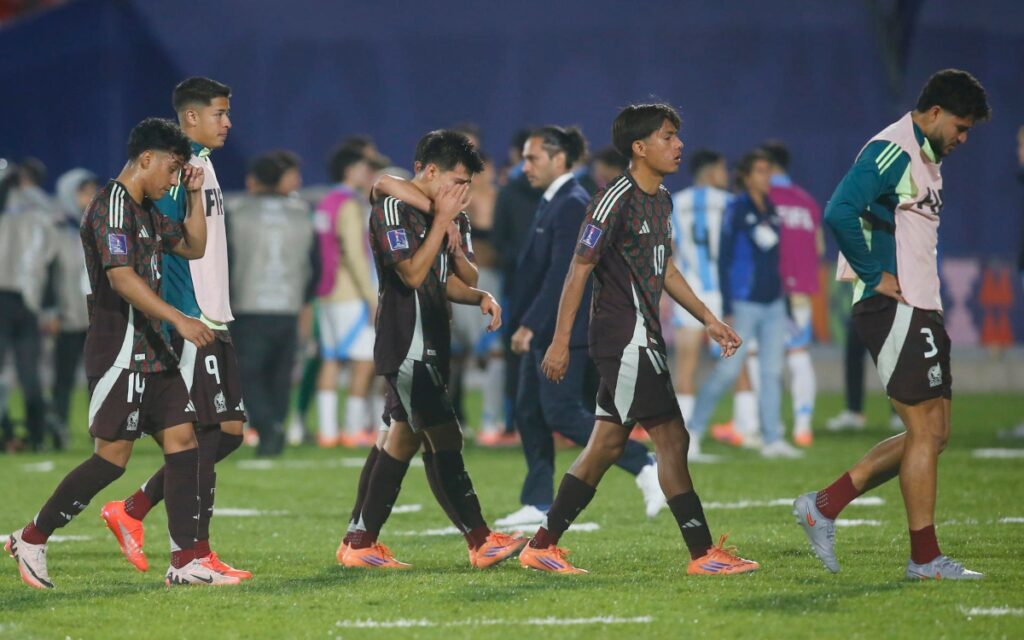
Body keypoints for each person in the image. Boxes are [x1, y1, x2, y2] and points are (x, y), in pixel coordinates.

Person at [517, 104, 758, 575]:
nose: (679, 144)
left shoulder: (661, 199)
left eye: (677, 136)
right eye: (668, 136)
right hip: (624, 338)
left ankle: (541, 545)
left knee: (605, 446)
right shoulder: (612, 200)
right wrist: (560, 342)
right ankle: (703, 554)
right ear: (640, 147)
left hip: (642, 335)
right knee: (672, 436)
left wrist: (708, 318)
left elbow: (664, 268)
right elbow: (578, 270)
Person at [4, 117, 231, 588]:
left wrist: (192, 197)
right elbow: (121, 278)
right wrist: (179, 319)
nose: (173, 178)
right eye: (171, 169)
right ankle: (31, 537)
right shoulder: (110, 205)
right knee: (111, 458)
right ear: (146, 158)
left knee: (185, 443)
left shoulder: (148, 209)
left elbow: (193, 246)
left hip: (156, 349)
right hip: (122, 348)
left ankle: (185, 562)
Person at [794, 69, 991, 580]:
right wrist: (872, 274)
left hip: (921, 304)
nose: (963, 139)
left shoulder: (925, 156)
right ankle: (924, 558)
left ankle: (823, 506)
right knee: (924, 430)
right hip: (895, 306)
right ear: (934, 113)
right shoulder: (894, 149)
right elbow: (839, 210)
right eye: (961, 127)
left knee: (934, 433)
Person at [337, 130, 527, 570]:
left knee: (398, 438)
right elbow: (411, 275)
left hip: (433, 340)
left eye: (468, 184)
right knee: (440, 436)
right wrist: (442, 222)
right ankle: (480, 540)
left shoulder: (451, 212)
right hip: (407, 339)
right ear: (430, 171)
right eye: (457, 181)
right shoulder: (393, 208)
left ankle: (358, 541)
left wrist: (479, 294)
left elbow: (456, 277)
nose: (463, 192)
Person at [100, 77, 250, 580]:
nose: (227, 123)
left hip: (213, 315)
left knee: (228, 433)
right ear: (191, 117)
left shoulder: (202, 165)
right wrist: (177, 318)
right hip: (191, 317)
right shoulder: (174, 170)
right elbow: (161, 245)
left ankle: (133, 510)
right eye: (219, 113)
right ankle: (192, 555)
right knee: (203, 435)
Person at [499, 126, 663, 528]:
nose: (524, 167)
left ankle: (644, 462)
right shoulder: (553, 201)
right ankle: (538, 500)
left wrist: (531, 324)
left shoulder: (572, 204)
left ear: (559, 159)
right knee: (529, 412)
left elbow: (562, 275)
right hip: (544, 327)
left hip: (562, 330)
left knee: (561, 413)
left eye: (533, 158)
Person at [688, 151, 803, 459]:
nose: (768, 177)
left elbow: (776, 259)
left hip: (773, 303)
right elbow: (724, 258)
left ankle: (772, 439)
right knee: (728, 370)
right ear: (747, 176)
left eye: (769, 170)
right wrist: (727, 304)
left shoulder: (772, 208)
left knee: (772, 372)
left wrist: (786, 304)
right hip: (743, 303)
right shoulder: (736, 208)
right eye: (761, 171)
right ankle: (692, 433)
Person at [228, 152, 317, 456]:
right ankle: (276, 425)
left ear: (253, 180)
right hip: (288, 305)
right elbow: (315, 263)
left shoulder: (236, 211)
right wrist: (303, 297)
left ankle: (267, 427)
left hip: (248, 305)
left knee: (247, 373)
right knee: (280, 374)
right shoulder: (302, 212)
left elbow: (224, 260)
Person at [314, 137, 386, 448]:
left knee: (331, 361)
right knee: (363, 362)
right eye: (362, 168)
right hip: (351, 293)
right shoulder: (349, 205)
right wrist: (371, 296)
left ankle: (327, 431)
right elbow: (355, 255)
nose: (366, 173)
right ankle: (353, 429)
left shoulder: (325, 202)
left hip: (326, 291)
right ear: (349, 170)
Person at [762, 140, 823, 448]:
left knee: (761, 359)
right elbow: (819, 248)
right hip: (800, 292)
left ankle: (762, 425)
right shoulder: (806, 201)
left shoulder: (762, 198)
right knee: (799, 357)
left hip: (768, 293)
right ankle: (803, 426)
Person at [0, 159, 58, 451]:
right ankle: (29, 437)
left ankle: (26, 436)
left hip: (20, 299)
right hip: (22, 298)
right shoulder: (38, 207)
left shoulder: (34, 207)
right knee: (25, 375)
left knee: (29, 375)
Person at [49, 169, 99, 448]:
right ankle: (58, 430)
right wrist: (51, 311)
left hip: (97, 318)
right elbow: (48, 274)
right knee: (63, 378)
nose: (90, 196)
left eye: (92, 189)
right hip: (67, 316)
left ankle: (101, 433)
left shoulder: (101, 227)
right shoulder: (56, 230)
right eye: (84, 191)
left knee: (98, 378)